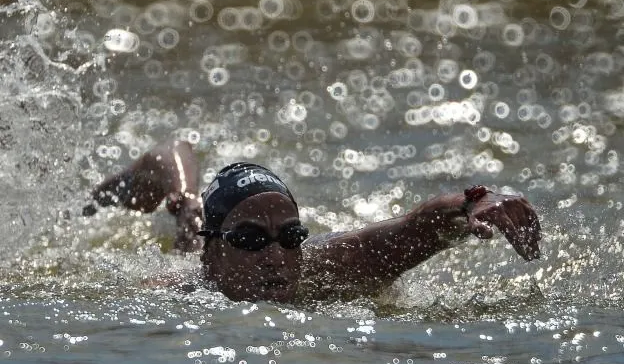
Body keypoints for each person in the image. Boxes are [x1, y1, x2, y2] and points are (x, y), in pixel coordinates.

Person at [83, 139, 541, 304]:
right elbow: (176, 146)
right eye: (249, 239)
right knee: (174, 175)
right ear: (214, 252)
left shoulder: (324, 271)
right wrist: (186, 204)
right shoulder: (174, 293)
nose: (276, 256)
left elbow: (410, 228)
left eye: (291, 237)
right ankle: (185, 204)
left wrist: (475, 202)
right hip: (196, 242)